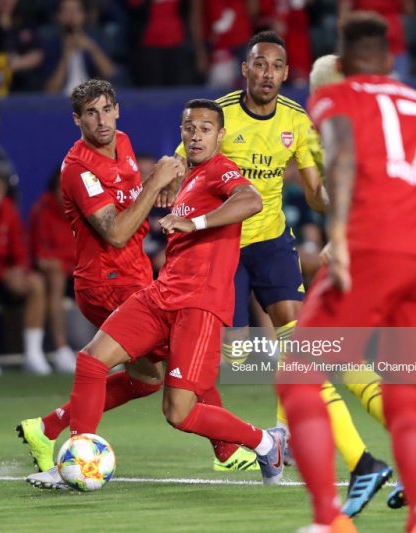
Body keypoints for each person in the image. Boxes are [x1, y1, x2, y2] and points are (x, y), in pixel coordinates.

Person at [279, 12, 416, 532]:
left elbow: (344, 157)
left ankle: (330, 520)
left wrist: (343, 236)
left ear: (344, 59)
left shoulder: (337, 94)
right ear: (392, 59)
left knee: (298, 376)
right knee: (404, 401)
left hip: (376, 248)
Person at [172, 31, 391, 517]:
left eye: (276, 65)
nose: (267, 73)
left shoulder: (296, 121)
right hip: (223, 247)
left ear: (285, 73)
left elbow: (314, 191)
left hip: (272, 242)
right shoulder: (220, 115)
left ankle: (287, 437)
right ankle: (242, 442)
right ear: (244, 70)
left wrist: (339, 209)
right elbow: (185, 170)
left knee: (297, 339)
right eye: (259, 64)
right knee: (224, 353)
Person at [41, 98, 290, 491]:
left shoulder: (221, 169)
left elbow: (252, 200)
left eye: (206, 129)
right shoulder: (188, 177)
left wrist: (196, 222)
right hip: (160, 294)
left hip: (199, 306)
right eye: (190, 128)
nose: (196, 135)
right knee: (91, 361)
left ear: (220, 135)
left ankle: (264, 442)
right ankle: (76, 454)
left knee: (178, 413)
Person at [0, 164, 60, 375]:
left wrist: (19, 271)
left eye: (0, 190)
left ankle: (33, 354)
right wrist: (2, 273)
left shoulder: (8, 210)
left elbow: (20, 251)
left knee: (35, 282)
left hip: (3, 279)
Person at [28, 170, 78, 372]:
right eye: (62, 189)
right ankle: (60, 348)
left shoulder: (85, 209)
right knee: (55, 278)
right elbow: (42, 256)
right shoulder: (41, 211)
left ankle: (115, 352)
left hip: (80, 271)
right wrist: (67, 264)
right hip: (59, 275)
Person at [42, 0, 116, 95]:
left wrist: (92, 49)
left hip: (92, 98)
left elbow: (110, 73)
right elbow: (51, 90)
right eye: (66, 10)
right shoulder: (51, 44)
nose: (71, 15)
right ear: (59, 16)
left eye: (76, 10)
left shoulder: (96, 38)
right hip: (61, 100)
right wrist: (66, 55)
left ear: (84, 15)